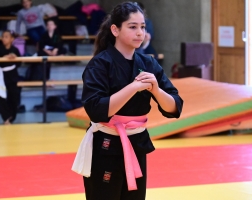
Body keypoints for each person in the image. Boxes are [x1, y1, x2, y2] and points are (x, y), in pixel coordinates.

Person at [71, 2, 183, 200]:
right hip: (106, 144)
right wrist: (133, 87)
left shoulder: (148, 63)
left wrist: (156, 90)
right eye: (132, 27)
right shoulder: (100, 64)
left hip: (136, 143)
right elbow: (96, 109)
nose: (140, 32)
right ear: (115, 29)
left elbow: (174, 107)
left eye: (142, 27)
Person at [0, 30, 21, 125]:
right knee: (1, 97)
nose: (4, 39)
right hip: (1, 75)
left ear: (12, 39)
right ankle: (5, 118)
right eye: (3, 37)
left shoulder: (15, 49)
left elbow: (19, 63)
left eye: (6, 37)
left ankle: (11, 117)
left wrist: (14, 57)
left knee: (14, 95)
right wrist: (3, 58)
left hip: (12, 74)